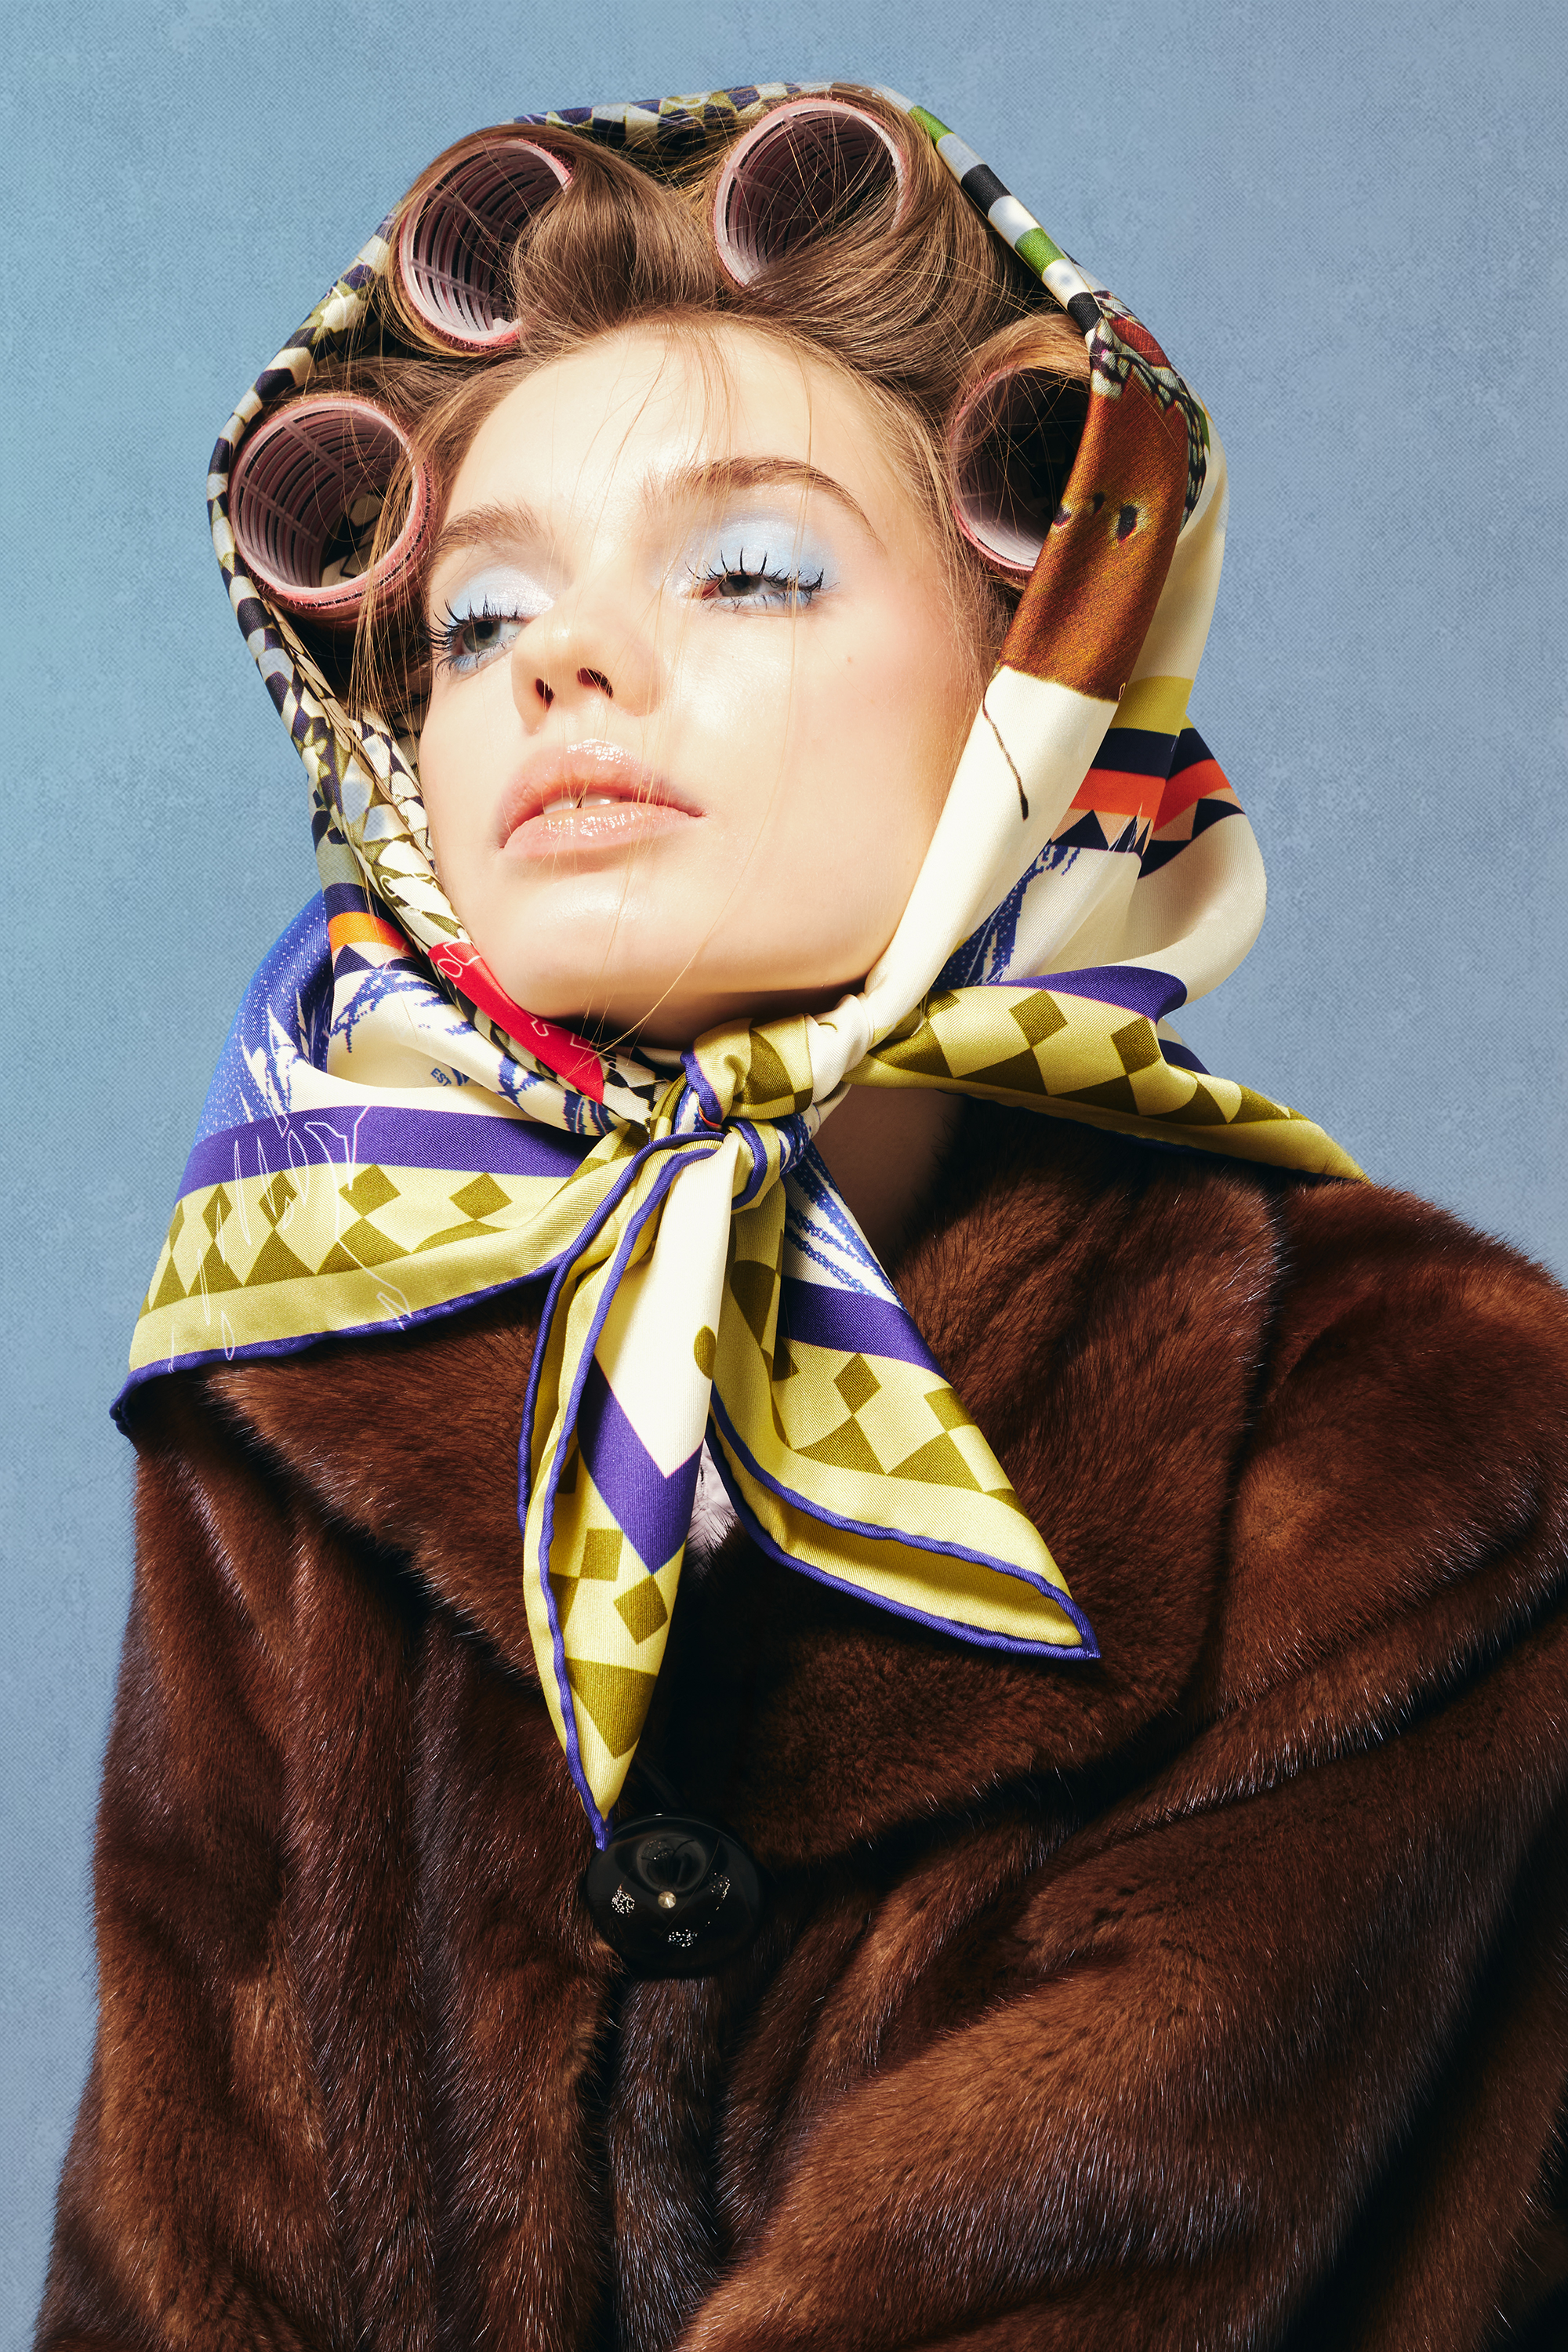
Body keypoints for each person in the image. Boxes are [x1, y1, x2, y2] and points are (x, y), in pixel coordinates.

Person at [35, 80, 1568, 2352]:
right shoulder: (315, 1400)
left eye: (748, 564)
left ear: (1038, 680)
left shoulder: (1419, 1427)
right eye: (473, 619)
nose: (560, 663)